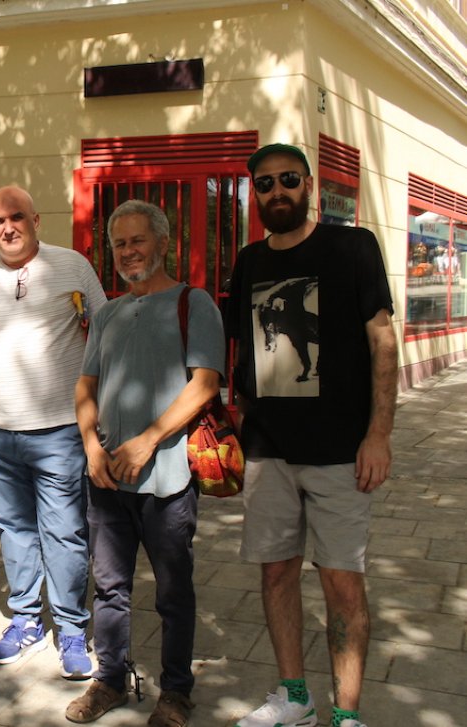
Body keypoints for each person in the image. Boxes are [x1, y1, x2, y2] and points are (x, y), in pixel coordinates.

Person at [227, 144, 397, 727]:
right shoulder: (248, 262)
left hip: (340, 453)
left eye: (288, 181)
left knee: (342, 584)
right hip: (269, 451)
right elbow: (242, 347)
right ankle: (294, 696)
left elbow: (382, 340)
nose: (277, 193)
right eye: (266, 184)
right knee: (275, 571)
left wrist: (379, 433)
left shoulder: (352, 248)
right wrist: (238, 416)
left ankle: (347, 715)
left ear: (310, 185)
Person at [65, 200, 224, 726]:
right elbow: (86, 386)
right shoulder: (107, 312)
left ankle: (176, 691)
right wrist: (91, 444)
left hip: (168, 479)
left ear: (162, 242)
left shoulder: (193, 303)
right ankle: (110, 679)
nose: (128, 251)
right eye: (119, 244)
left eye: (137, 240)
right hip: (107, 478)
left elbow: (204, 384)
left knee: (174, 592)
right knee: (109, 587)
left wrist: (148, 440)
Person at [0, 184, 107, 679]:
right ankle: (25, 622)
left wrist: (95, 416)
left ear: (36, 219)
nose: (8, 228)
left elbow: (102, 337)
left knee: (64, 533)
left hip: (59, 430)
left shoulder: (73, 266)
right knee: (14, 532)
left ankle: (72, 630)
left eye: (17, 217)